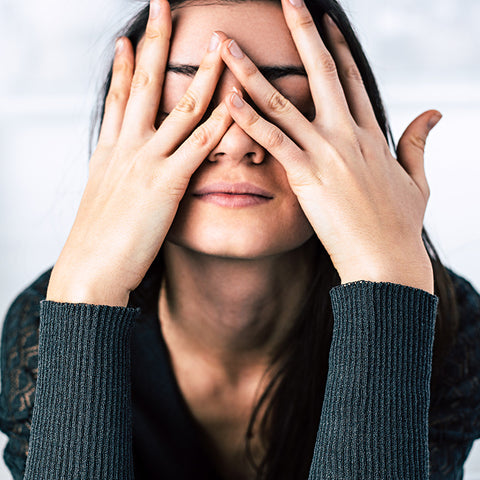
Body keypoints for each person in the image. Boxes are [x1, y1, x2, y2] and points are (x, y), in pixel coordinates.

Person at [1, 0, 479, 478]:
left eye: (285, 106)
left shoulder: (451, 327)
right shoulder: (41, 331)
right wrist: (86, 296)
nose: (234, 141)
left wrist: (388, 278)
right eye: (186, 109)